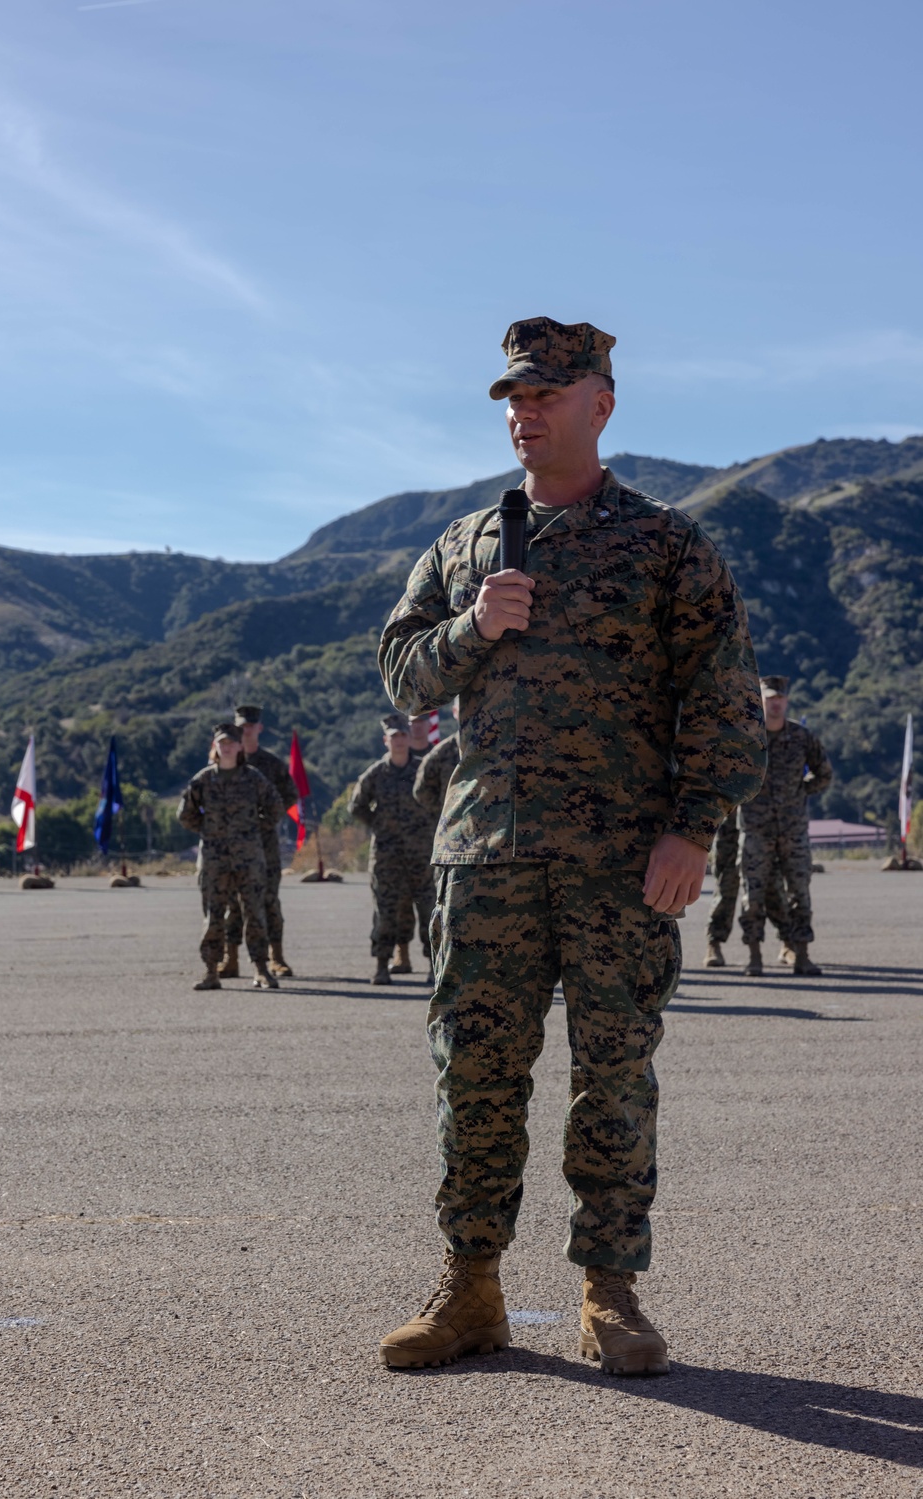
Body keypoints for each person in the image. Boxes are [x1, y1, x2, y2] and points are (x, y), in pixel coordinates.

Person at [377, 315, 766, 1375]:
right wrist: (472, 627)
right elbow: (400, 674)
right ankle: (470, 1288)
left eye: (546, 392)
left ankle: (610, 1292)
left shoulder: (665, 541)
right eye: (512, 396)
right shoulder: (461, 546)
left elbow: (723, 699)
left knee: (614, 1075)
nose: (524, 410)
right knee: (476, 1076)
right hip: (483, 854)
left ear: (601, 402)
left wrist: (692, 828)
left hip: (618, 862)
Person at [177, 722, 284, 992]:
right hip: (214, 859)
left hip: (248, 858)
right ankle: (211, 970)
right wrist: (207, 830)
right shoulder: (203, 780)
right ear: (215, 747)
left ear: (239, 746)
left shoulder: (253, 778)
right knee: (214, 915)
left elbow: (274, 809)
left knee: (254, 913)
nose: (226, 747)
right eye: (221, 743)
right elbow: (185, 814)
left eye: (230, 743)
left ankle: (261, 969)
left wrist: (251, 830)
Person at [738, 676, 832, 977]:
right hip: (756, 829)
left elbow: (824, 774)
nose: (775, 703)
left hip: (793, 831)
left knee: (800, 892)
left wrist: (801, 791)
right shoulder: (748, 736)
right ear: (760, 700)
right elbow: (727, 776)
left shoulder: (802, 737)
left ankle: (801, 955)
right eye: (769, 698)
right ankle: (754, 957)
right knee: (753, 894)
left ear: (786, 701)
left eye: (779, 698)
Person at [348, 712, 438, 985]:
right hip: (387, 857)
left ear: (410, 738)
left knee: (429, 912)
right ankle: (382, 965)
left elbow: (440, 800)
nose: (399, 741)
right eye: (393, 737)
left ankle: (436, 968)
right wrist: (379, 825)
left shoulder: (424, 770)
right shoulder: (376, 774)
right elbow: (356, 807)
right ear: (385, 741)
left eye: (403, 735)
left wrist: (429, 827)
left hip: (421, 855)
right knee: (385, 912)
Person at [219, 706, 298, 980]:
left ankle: (276, 957)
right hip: (232, 846)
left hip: (265, 844)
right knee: (232, 902)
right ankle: (231, 958)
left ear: (259, 728)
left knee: (268, 901)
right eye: (242, 726)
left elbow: (289, 795)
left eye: (251, 725)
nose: (247, 730)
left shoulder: (271, 764)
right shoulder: (227, 762)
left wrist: (262, 821)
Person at [704, 807, 791, 968]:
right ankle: (714, 944)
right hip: (728, 827)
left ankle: (788, 943)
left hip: (760, 824)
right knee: (725, 887)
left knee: (773, 886)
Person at [412, 701, 460, 826]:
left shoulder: (493, 747)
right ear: (455, 712)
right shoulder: (441, 753)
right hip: (452, 829)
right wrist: (443, 810)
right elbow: (421, 791)